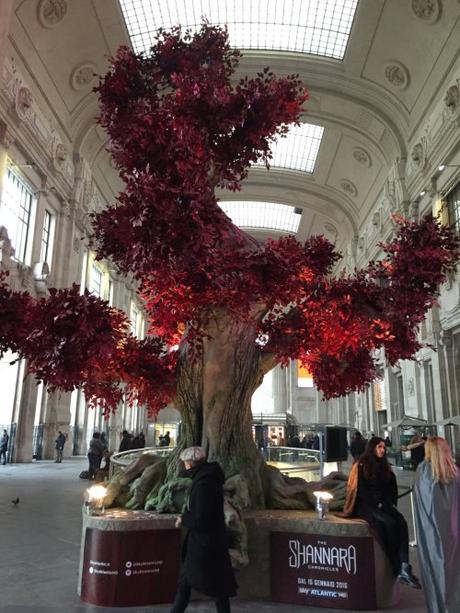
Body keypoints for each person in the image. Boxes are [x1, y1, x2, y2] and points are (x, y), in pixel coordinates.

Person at [342, 436, 421, 588]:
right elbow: (360, 490)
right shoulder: (361, 465)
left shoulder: (386, 467)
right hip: (366, 506)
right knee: (389, 524)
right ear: (372, 448)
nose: (383, 450)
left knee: (402, 522)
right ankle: (395, 565)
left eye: (384, 448)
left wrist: (387, 503)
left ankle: (405, 566)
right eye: (379, 447)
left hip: (383, 504)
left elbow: (390, 488)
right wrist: (377, 503)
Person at [170, 446, 237, 613]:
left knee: (206, 586)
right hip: (210, 542)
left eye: (185, 463)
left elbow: (202, 518)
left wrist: (183, 518)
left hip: (204, 545)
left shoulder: (203, 485)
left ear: (191, 463)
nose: (184, 466)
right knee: (213, 587)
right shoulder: (209, 478)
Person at [413, 437, 460, 613]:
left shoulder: (437, 471)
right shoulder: (430, 472)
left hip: (441, 536)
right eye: (445, 447)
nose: (449, 448)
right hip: (441, 535)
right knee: (444, 571)